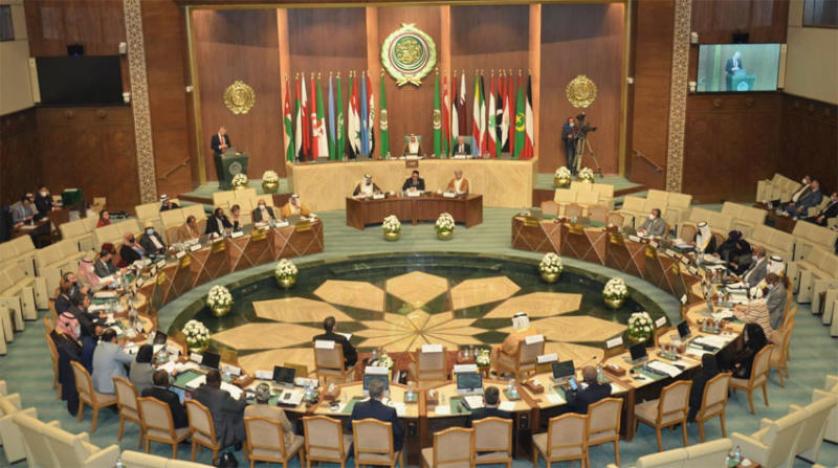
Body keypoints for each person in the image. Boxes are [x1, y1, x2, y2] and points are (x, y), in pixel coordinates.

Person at [192, 370, 247, 449]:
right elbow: (238, 406)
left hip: (200, 429)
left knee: (227, 411)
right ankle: (238, 439)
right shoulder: (222, 395)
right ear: (218, 382)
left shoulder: (196, 391)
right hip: (218, 434)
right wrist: (243, 397)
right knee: (243, 411)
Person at [350, 379, 403, 451]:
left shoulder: (357, 407)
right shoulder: (390, 411)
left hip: (362, 446)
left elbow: (350, 427)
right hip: (385, 448)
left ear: (369, 393)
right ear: (382, 394)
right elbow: (398, 432)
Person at [52, 312, 83, 415]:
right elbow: (76, 358)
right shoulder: (64, 344)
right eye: (75, 326)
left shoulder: (57, 333)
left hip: (66, 367)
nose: (76, 328)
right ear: (67, 325)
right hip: (73, 371)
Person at [91, 329, 133, 394]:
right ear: (113, 338)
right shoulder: (115, 349)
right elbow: (130, 359)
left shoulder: (98, 346)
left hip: (97, 384)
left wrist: (118, 347)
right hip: (109, 387)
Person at [688, 354, 721, 421]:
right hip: (714, 401)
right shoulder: (719, 375)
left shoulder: (699, 378)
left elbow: (694, 399)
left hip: (701, 405)